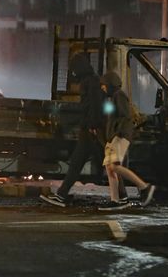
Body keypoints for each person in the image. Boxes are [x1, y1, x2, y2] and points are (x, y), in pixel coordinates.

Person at [40, 53, 128, 207]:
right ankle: (62, 195)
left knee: (101, 163)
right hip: (91, 130)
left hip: (91, 131)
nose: (72, 71)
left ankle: (123, 196)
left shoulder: (89, 82)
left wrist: (92, 126)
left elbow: (93, 106)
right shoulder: (91, 80)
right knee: (94, 163)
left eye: (74, 67)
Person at [98, 71, 155, 210]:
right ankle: (115, 200)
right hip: (114, 137)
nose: (102, 88)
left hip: (120, 136)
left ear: (110, 83)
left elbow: (124, 116)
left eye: (103, 85)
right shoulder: (113, 97)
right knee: (110, 168)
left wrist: (117, 133)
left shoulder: (119, 95)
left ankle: (144, 187)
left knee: (114, 167)